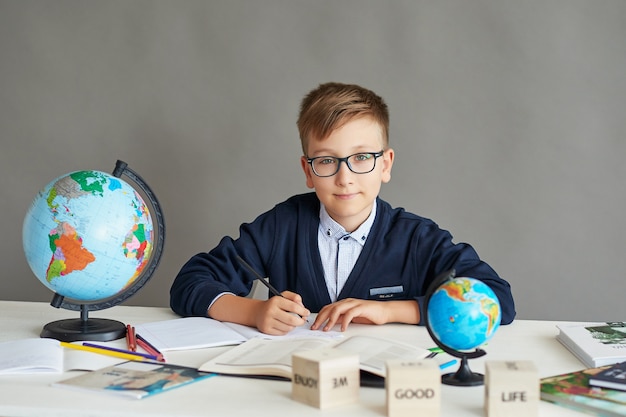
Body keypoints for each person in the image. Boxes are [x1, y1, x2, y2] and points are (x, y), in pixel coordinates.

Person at [170, 82, 516, 335]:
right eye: (326, 160)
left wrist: (392, 311)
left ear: (386, 164)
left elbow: (497, 298)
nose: (345, 178)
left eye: (362, 157)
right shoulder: (280, 227)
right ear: (308, 171)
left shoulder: (416, 238)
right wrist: (254, 311)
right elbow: (188, 284)